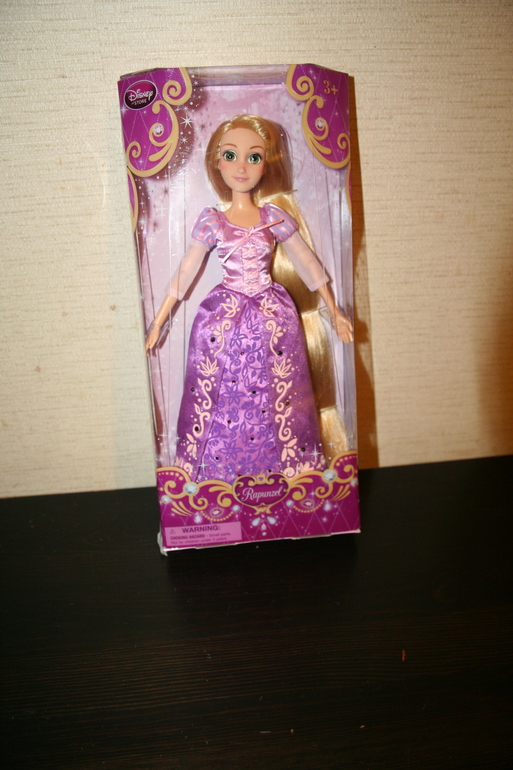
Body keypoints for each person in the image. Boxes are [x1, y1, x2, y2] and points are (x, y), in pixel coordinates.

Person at [146, 115, 353, 482]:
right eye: (231, 155)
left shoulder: (273, 217)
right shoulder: (213, 220)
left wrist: (334, 310)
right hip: (223, 318)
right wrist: (158, 322)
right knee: (224, 393)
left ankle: (291, 473)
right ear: (217, 162)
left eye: (253, 157)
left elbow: (307, 263)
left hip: (273, 317)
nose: (241, 167)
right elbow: (186, 271)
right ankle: (218, 473)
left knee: (282, 393)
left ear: (265, 165)